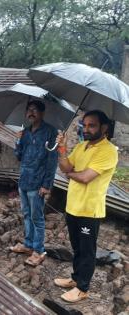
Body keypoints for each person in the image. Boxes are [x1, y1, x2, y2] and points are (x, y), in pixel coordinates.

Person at [54, 110, 118, 303]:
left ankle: (83, 288)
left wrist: (71, 173)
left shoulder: (109, 151)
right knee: (77, 248)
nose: (86, 129)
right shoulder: (82, 146)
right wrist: (63, 150)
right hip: (73, 206)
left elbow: (84, 178)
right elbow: (65, 167)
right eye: (85, 125)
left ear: (104, 128)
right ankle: (75, 279)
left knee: (87, 250)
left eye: (92, 125)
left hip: (89, 210)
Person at [10, 100, 58, 266]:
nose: (31, 113)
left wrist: (47, 185)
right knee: (26, 214)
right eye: (29, 110)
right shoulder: (26, 133)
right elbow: (19, 156)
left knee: (37, 218)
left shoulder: (50, 132)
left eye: (35, 110)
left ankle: (38, 250)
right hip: (24, 180)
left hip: (38, 183)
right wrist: (18, 141)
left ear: (42, 113)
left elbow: (52, 161)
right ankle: (28, 244)